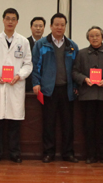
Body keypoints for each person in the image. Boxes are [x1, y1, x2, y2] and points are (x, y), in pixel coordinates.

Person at [0, 8, 33, 163]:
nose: (10, 21)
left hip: (15, 85)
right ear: (3, 20)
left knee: (14, 122)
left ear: (17, 22)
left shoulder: (23, 42)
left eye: (13, 19)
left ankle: (14, 153)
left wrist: (20, 75)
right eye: (8, 18)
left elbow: (28, 64)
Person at [32, 13, 79, 163]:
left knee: (68, 124)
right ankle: (48, 153)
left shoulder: (72, 46)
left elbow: (76, 69)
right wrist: (36, 83)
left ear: (65, 26)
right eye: (56, 24)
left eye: (62, 25)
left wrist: (76, 86)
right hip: (48, 90)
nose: (59, 27)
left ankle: (68, 153)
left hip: (67, 90)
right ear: (51, 26)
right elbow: (35, 66)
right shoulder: (41, 44)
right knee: (48, 123)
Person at [72, 26, 103, 164]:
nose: (94, 38)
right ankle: (91, 155)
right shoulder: (81, 53)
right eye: (92, 36)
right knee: (89, 127)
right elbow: (75, 72)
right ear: (88, 38)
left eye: (97, 35)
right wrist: (84, 79)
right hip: (87, 95)